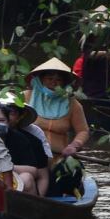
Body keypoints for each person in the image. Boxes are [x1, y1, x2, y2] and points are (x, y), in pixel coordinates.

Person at [28, 57, 90, 196]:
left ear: (64, 83)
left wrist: (74, 145)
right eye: (49, 78)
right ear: (41, 79)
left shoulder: (73, 104)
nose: (53, 83)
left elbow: (83, 131)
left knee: (70, 174)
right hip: (30, 157)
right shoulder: (25, 98)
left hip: (58, 158)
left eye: (58, 80)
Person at [0, 96, 49, 196]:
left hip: (17, 184)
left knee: (26, 178)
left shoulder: (24, 140)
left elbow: (38, 173)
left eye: (1, 120)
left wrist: (5, 167)